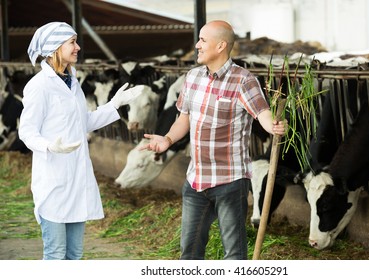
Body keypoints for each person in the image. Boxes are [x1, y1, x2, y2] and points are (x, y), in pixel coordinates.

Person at [141, 20, 286, 260]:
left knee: (234, 253)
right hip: (195, 180)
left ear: (221, 46)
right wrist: (167, 139)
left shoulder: (244, 80)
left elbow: (262, 113)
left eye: (202, 40)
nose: (197, 45)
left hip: (229, 181)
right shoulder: (192, 77)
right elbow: (183, 118)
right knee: (189, 251)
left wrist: (273, 125)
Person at [18, 22, 143, 260]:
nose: (78, 47)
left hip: (77, 180)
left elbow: (83, 122)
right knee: (55, 254)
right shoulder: (39, 86)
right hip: (53, 181)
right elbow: (27, 131)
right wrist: (48, 146)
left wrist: (114, 105)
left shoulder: (72, 80)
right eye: (72, 42)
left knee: (74, 255)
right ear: (55, 48)